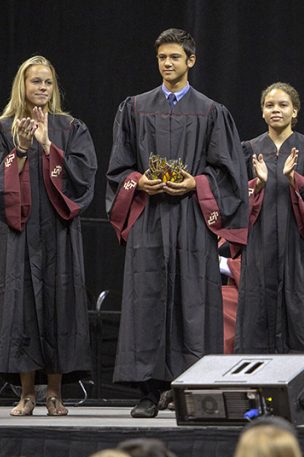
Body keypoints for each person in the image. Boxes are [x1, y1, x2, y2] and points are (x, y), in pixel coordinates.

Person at [106, 28, 249, 418]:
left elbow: (228, 172)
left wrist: (196, 183)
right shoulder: (135, 108)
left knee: (193, 303)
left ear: (191, 61)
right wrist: (139, 182)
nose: (167, 64)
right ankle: (149, 394)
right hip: (149, 219)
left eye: (174, 57)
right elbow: (118, 169)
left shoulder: (211, 111)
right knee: (147, 301)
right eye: (162, 58)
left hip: (191, 220)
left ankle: (190, 390)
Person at [0, 56, 98, 417]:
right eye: (36, 82)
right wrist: (19, 150)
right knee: (21, 310)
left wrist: (49, 147)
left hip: (59, 230)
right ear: (23, 85)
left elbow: (82, 178)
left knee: (59, 307)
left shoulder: (71, 127)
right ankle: (27, 394)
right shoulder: (1, 129)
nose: (43, 88)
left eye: (48, 82)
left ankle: (55, 393)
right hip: (20, 232)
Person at [236, 82, 304, 354]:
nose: (276, 110)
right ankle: (254, 384)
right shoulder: (248, 150)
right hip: (259, 243)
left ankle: (300, 389)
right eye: (269, 105)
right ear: (262, 112)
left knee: (300, 310)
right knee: (257, 310)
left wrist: (294, 179)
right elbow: (235, 198)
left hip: (298, 244)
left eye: (283, 105)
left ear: (295, 111)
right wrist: (259, 184)